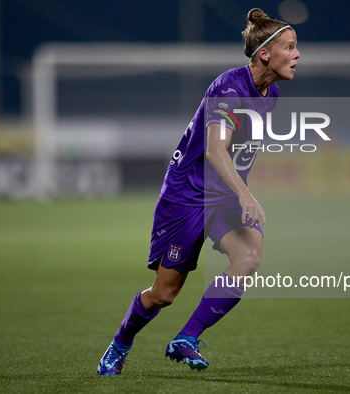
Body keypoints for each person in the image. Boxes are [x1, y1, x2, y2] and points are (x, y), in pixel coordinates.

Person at [98, 8, 300, 375]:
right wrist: (246, 194)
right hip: (187, 196)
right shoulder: (228, 87)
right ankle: (120, 343)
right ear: (266, 54)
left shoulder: (270, 94)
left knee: (249, 258)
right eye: (290, 47)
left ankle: (187, 338)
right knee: (163, 294)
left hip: (221, 197)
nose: (298, 55)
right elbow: (215, 149)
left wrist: (238, 191)